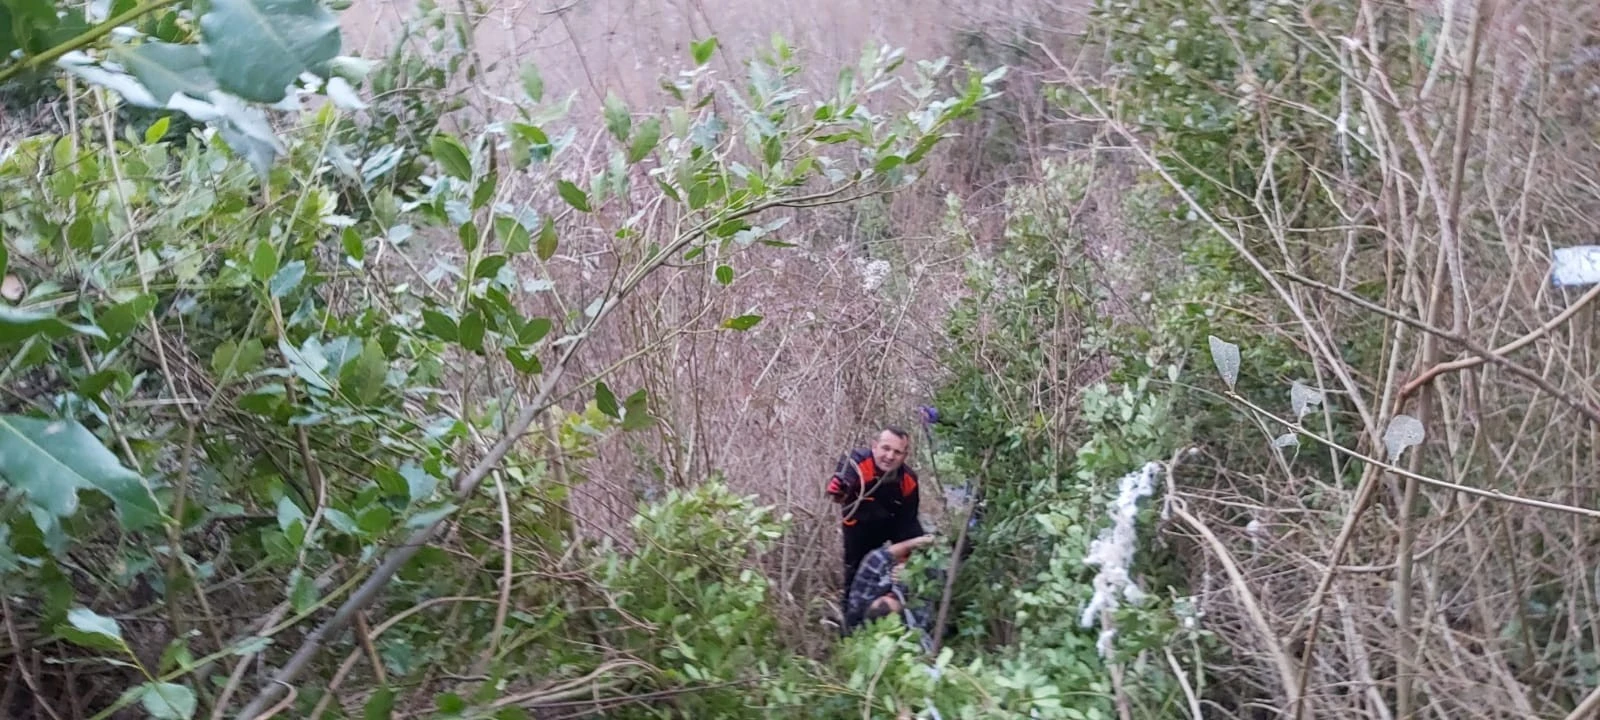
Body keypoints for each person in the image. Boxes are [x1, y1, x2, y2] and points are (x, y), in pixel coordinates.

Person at [826, 426, 926, 592]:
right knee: (855, 572)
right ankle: (850, 605)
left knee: (918, 557)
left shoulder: (908, 479)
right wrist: (839, 489)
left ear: (904, 456)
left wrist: (906, 560)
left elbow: (908, 521)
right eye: (886, 448)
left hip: (892, 522)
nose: (890, 456)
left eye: (897, 452)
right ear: (874, 446)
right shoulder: (857, 461)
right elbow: (843, 483)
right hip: (859, 525)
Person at [843, 535, 934, 633]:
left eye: (886, 595)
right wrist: (912, 572)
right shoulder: (916, 623)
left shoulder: (859, 605)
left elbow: (876, 558)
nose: (891, 593)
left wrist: (914, 543)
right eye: (895, 597)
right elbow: (933, 585)